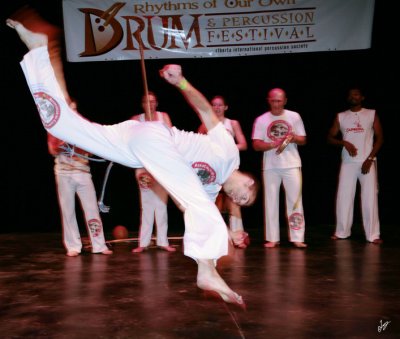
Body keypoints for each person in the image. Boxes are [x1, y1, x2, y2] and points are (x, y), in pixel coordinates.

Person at [7, 19, 258, 306]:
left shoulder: (209, 189)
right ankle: (206, 271)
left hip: (133, 146)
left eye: (242, 202)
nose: (240, 198)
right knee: (200, 207)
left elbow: (188, 204)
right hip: (155, 137)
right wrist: (182, 82)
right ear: (249, 180)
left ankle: (37, 52)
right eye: (247, 195)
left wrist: (222, 228)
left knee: (63, 126)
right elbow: (206, 111)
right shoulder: (229, 153)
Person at [252, 88, 307, 248]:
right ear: (268, 100)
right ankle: (272, 238)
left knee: (295, 201)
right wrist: (271, 144)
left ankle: (297, 237)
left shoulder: (294, 116)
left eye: (279, 101)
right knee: (270, 201)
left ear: (285, 101)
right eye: (273, 100)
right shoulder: (261, 119)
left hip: (292, 165)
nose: (276, 104)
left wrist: (293, 138)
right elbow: (255, 144)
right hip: (270, 166)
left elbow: (303, 140)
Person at [327, 87, 384, 244]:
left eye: (357, 94)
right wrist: (343, 142)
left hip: (367, 161)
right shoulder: (341, 116)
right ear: (348, 98)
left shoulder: (371, 114)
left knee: (369, 198)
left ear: (362, 97)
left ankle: (373, 235)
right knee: (344, 197)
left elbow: (380, 138)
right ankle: (342, 231)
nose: (354, 97)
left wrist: (370, 159)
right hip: (348, 163)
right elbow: (330, 137)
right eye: (351, 95)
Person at [48, 122, 113, 257]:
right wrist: (63, 146)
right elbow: (52, 150)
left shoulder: (82, 126)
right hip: (63, 173)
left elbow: (90, 149)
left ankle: (99, 245)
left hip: (82, 172)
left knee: (92, 210)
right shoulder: (54, 127)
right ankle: (73, 246)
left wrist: (79, 148)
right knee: (68, 211)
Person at [198, 96, 249, 247]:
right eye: (214, 105)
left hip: (230, 169)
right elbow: (198, 146)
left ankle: (239, 237)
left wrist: (227, 147)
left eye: (220, 105)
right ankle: (218, 238)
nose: (217, 107)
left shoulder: (232, 123)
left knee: (235, 202)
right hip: (213, 169)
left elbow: (244, 144)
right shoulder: (204, 125)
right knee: (213, 203)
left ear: (225, 107)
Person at [131, 92, 176, 253]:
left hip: (161, 164)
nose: (149, 104)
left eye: (152, 101)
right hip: (144, 166)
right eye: (146, 102)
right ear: (142, 104)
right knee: (147, 203)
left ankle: (162, 241)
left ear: (156, 103)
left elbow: (172, 137)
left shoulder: (164, 116)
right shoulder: (137, 119)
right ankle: (144, 242)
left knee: (161, 203)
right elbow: (130, 138)